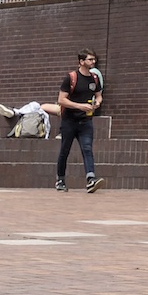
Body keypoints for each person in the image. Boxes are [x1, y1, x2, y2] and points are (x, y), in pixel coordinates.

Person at [55, 52, 104, 192]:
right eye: (90, 59)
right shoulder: (71, 78)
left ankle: (91, 179)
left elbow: (99, 96)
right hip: (69, 120)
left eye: (94, 59)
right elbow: (61, 100)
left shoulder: (94, 78)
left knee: (87, 148)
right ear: (81, 61)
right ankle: (60, 180)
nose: (93, 61)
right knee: (65, 150)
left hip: (86, 120)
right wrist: (79, 106)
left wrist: (97, 103)